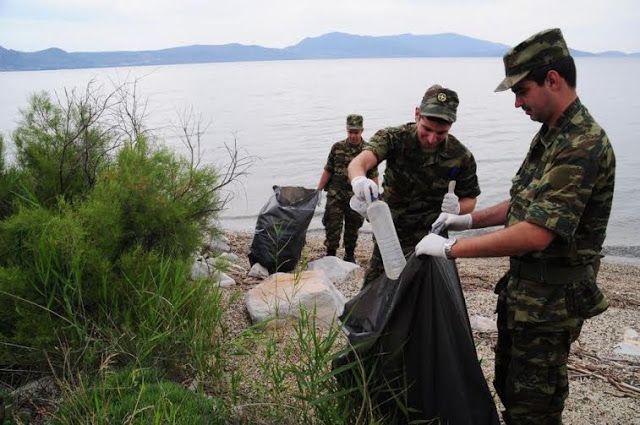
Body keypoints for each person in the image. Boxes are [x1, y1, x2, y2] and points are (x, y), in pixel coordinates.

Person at [415, 29, 616, 425]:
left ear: (552, 80)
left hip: (550, 304)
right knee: (511, 389)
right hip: (525, 297)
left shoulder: (582, 144)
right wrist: (468, 220)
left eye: (521, 91)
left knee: (533, 411)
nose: (517, 103)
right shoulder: (552, 136)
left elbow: (537, 232)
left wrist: (452, 249)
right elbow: (524, 206)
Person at [349, 85, 480, 284]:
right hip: (390, 235)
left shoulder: (460, 156)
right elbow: (359, 162)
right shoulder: (393, 138)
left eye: (441, 133)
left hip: (432, 240)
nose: (432, 139)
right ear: (417, 114)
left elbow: (471, 199)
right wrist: (359, 179)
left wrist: (458, 208)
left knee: (425, 296)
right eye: (426, 129)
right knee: (376, 290)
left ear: (451, 126)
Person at [318, 114, 378, 262]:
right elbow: (328, 169)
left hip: (356, 198)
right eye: (350, 132)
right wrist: (318, 191)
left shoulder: (368, 151)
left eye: (356, 132)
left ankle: (349, 255)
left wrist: (374, 199)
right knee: (332, 225)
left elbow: (374, 177)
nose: (353, 135)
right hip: (335, 194)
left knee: (352, 228)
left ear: (362, 131)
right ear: (347, 130)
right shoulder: (337, 147)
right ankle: (331, 254)